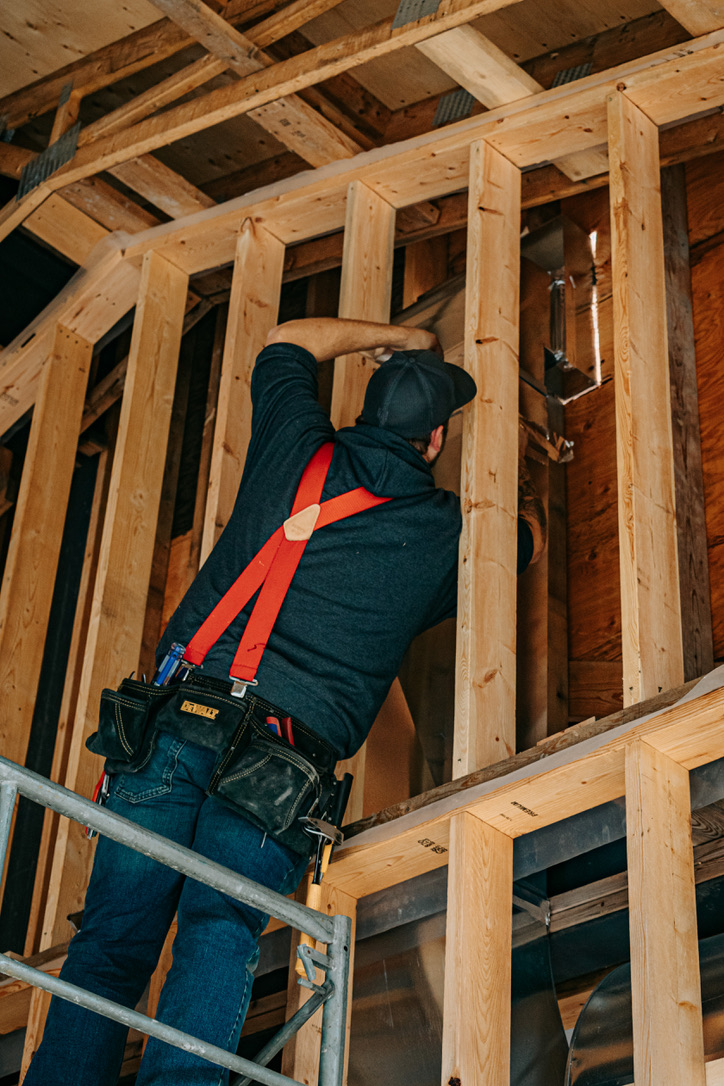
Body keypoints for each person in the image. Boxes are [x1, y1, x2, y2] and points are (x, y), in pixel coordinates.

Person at [25, 317, 545, 1086]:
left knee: (109, 943)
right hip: (277, 774)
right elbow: (523, 544)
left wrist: (402, 337)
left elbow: (287, 340)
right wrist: (524, 483)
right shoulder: (441, 537)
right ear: (435, 440)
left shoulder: (295, 442)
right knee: (216, 936)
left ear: (365, 410)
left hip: (175, 725)